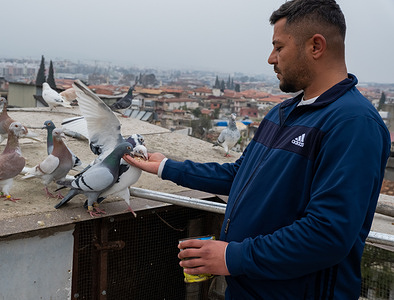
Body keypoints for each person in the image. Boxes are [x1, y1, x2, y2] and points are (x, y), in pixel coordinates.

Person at [124, 0, 391, 298]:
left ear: (316, 46)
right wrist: (166, 167)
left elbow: (327, 234)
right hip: (249, 288)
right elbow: (241, 175)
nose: (270, 58)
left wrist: (231, 257)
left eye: (279, 47)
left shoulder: (353, 123)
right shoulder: (282, 114)